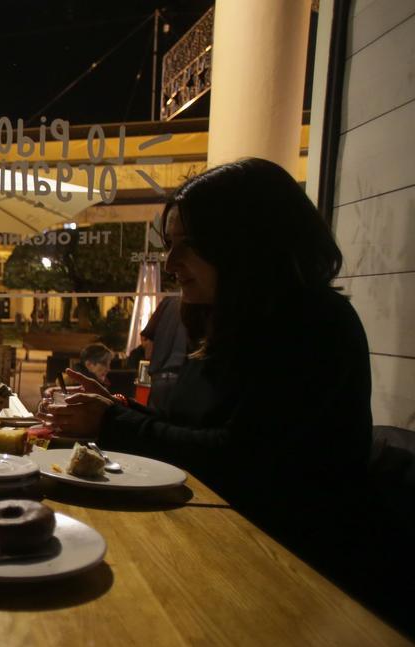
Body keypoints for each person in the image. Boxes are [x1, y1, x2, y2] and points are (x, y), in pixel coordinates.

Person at [47, 157, 371, 548]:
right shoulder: (231, 320)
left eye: (190, 245)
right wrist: (116, 408)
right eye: (170, 245)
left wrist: (113, 421)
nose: (170, 263)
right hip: (217, 531)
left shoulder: (314, 326)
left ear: (248, 242)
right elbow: (194, 428)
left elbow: (237, 459)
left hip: (288, 558)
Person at [140, 295, 188, 410]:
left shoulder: (168, 302)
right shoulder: (202, 304)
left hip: (159, 378)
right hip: (184, 379)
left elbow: (148, 347)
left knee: (155, 424)